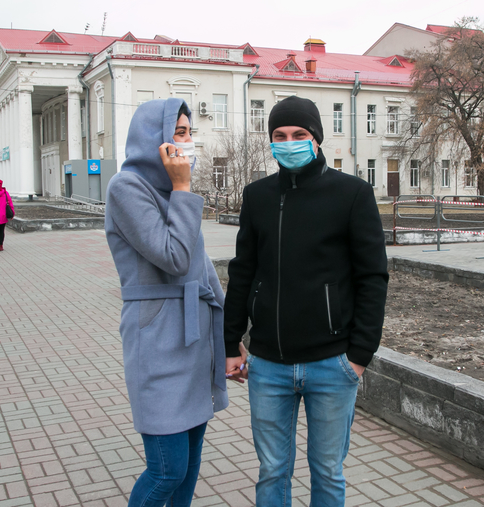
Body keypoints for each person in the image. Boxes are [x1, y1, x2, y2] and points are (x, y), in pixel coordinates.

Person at [224, 96, 389, 506]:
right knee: (272, 472)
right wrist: (230, 344)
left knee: (328, 472)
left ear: (316, 138)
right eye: (279, 135)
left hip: (332, 365)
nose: (289, 142)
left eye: (299, 134)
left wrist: (359, 355)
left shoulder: (352, 193)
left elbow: (372, 277)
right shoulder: (257, 195)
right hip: (267, 367)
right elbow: (242, 272)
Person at [104, 98, 228, 507]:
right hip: (157, 339)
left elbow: (203, 268)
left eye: (190, 132)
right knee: (166, 470)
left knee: (189, 469)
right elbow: (173, 257)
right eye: (179, 133)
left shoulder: (175, 192)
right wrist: (182, 188)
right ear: (152, 137)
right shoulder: (126, 188)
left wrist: (231, 339)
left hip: (194, 341)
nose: (188, 141)